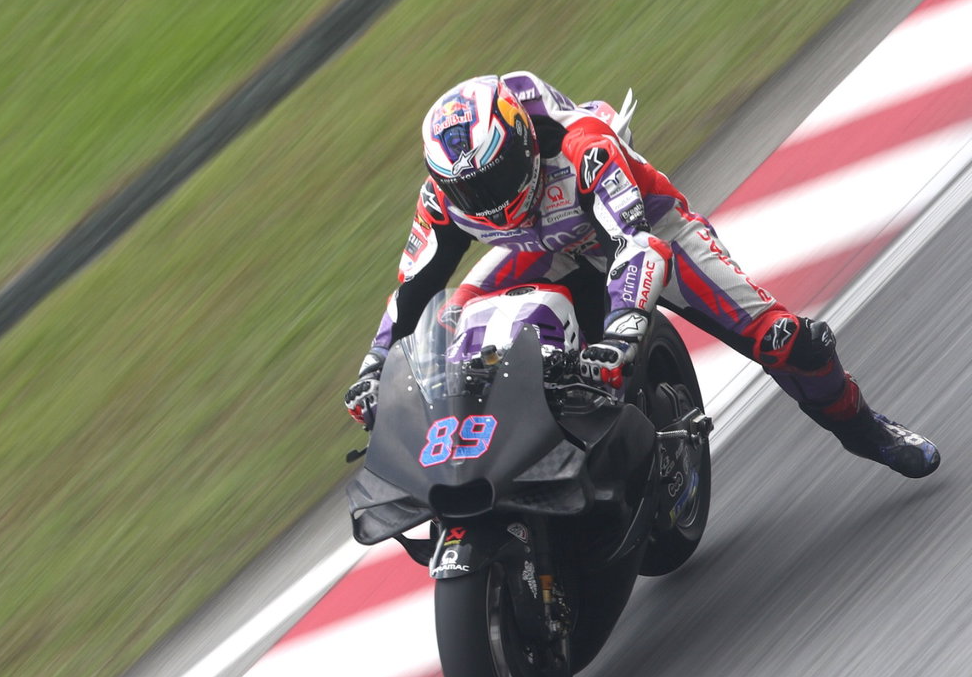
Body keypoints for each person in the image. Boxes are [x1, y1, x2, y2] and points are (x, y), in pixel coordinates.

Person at [342, 72, 940, 478]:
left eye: (495, 178)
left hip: (646, 234)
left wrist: (624, 331)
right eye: (467, 188)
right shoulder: (441, 201)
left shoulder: (583, 147)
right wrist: (376, 372)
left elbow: (635, 245)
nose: (486, 199)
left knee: (785, 341)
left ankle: (867, 430)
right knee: (454, 320)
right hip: (541, 248)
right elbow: (414, 291)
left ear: (522, 141)